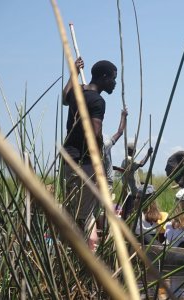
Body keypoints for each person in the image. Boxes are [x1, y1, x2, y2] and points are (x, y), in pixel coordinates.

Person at [62, 57, 117, 244]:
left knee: (71, 211)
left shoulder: (78, 93)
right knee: (85, 217)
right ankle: (88, 259)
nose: (114, 83)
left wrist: (74, 73)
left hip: (67, 158)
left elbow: (65, 96)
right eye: (112, 78)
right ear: (103, 77)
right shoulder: (97, 101)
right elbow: (94, 133)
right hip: (85, 162)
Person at [121, 143, 153, 219]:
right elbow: (141, 164)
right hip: (131, 194)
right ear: (134, 151)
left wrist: (141, 183)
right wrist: (148, 154)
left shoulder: (128, 160)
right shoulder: (128, 159)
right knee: (130, 214)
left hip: (131, 193)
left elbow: (132, 176)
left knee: (129, 213)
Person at [103, 108, 128, 191]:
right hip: (106, 185)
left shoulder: (88, 151)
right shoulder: (105, 146)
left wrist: (117, 168)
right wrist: (123, 116)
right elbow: (120, 132)